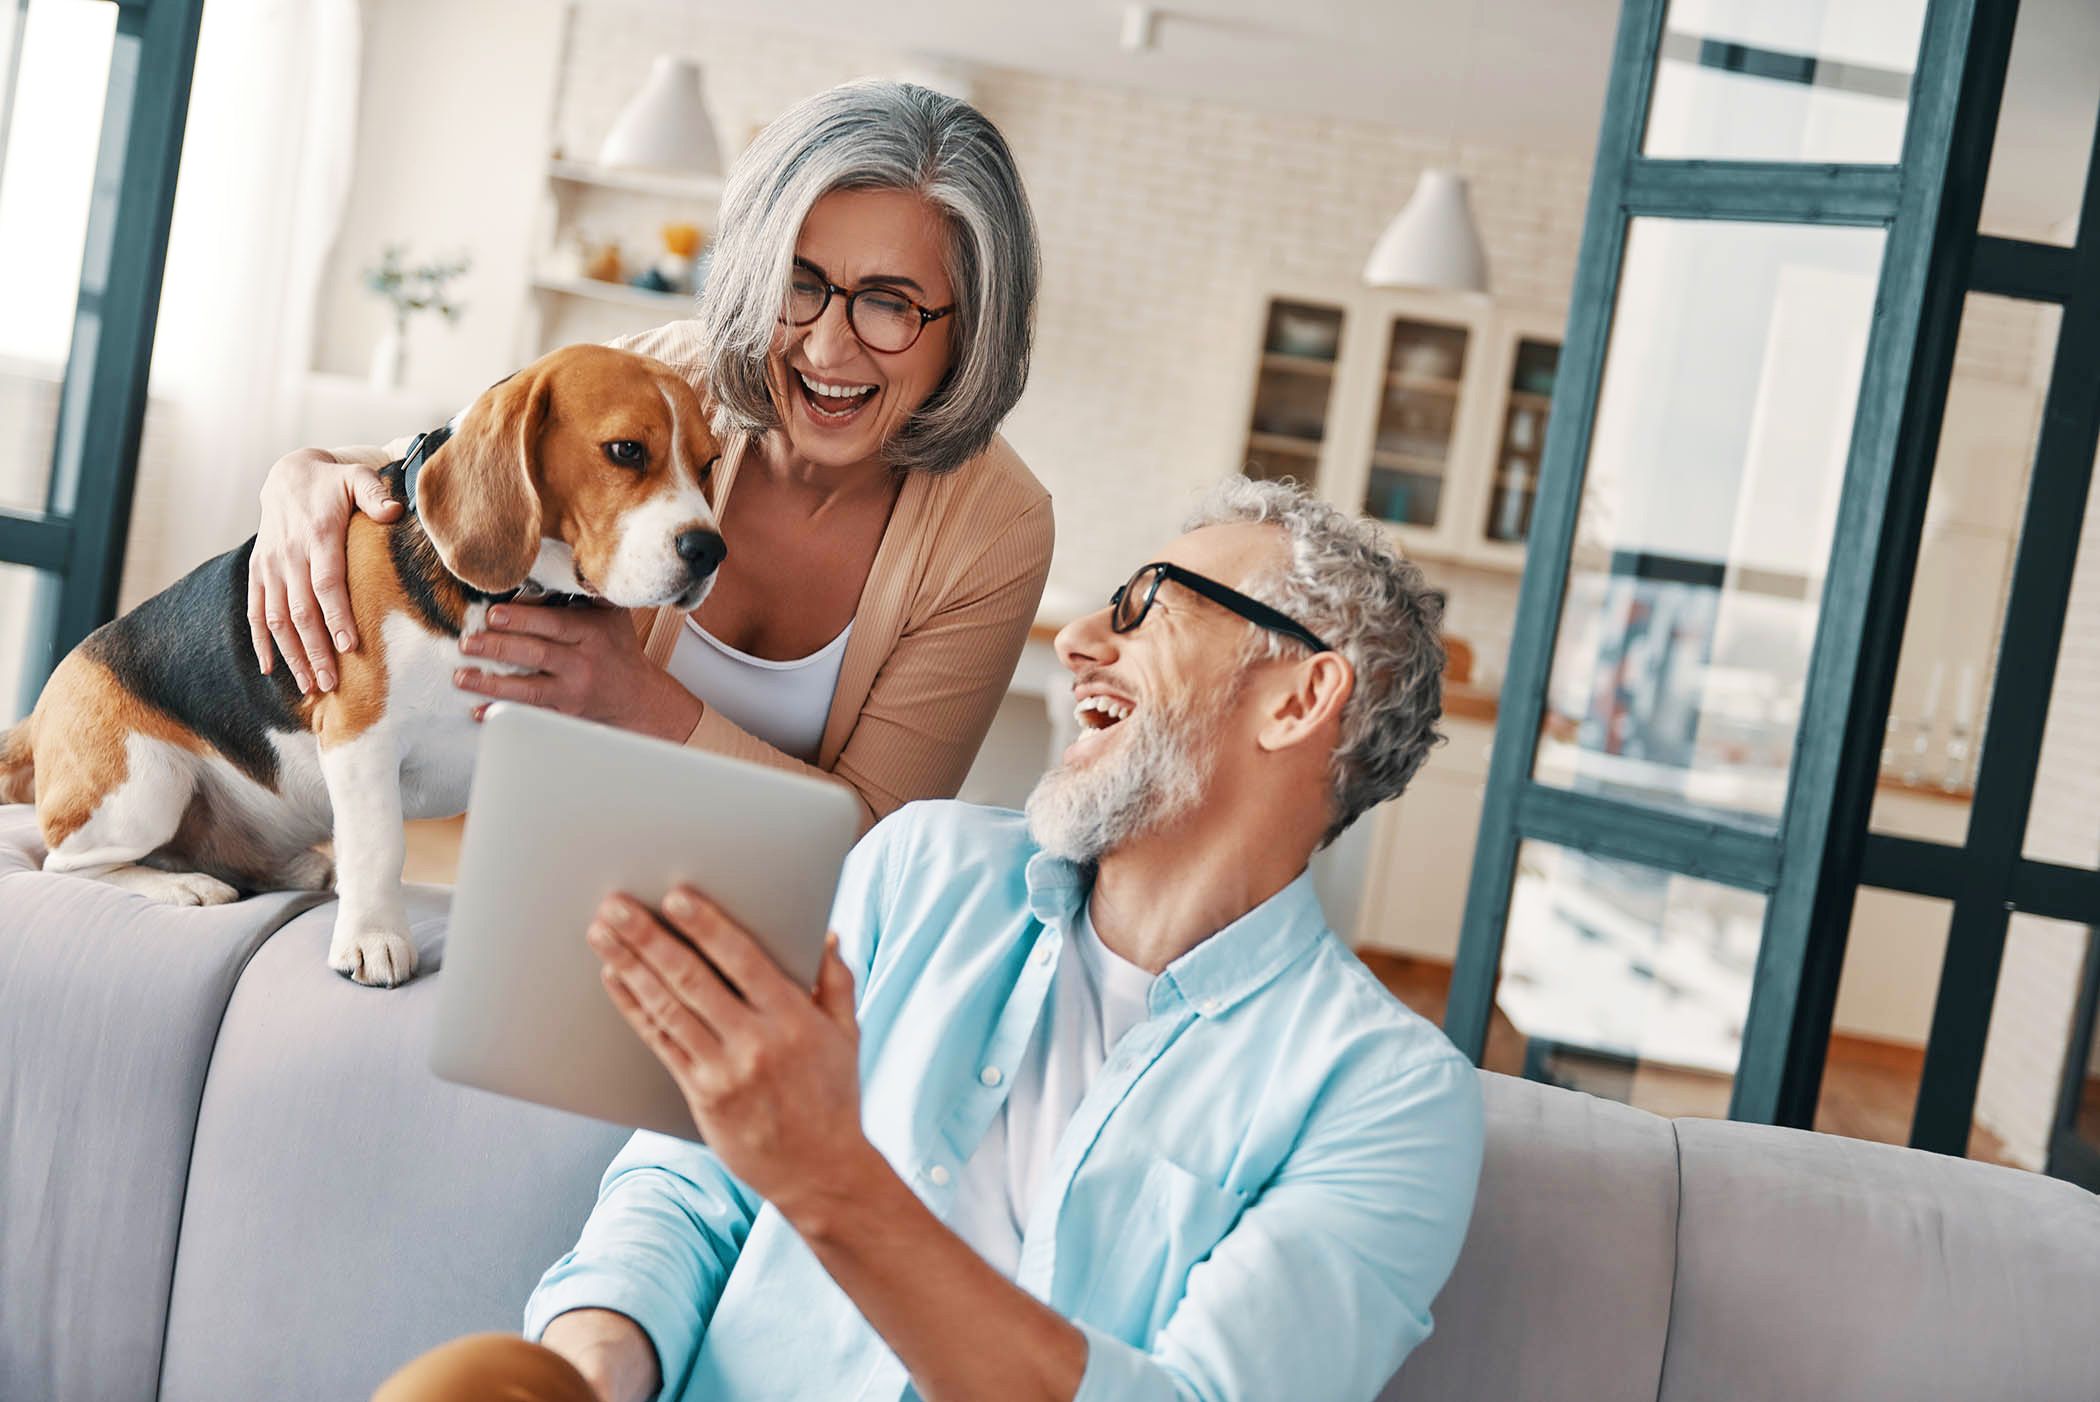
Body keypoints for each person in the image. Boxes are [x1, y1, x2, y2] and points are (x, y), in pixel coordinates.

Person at [374, 477, 1485, 1402]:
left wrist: (827, 1174)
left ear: (1298, 701)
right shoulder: (922, 866)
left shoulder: (1387, 1097)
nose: (1086, 640)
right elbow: (692, 1181)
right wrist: (593, 1368)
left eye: (1151, 607)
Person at [251, 80, 1051, 827]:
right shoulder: (669, 379)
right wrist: (305, 474)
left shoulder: (998, 528)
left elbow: (880, 837)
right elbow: (464, 469)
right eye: (797, 284)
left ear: (970, 330)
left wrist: (648, 707)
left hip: (774, 950)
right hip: (544, 870)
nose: (828, 348)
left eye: (890, 303)